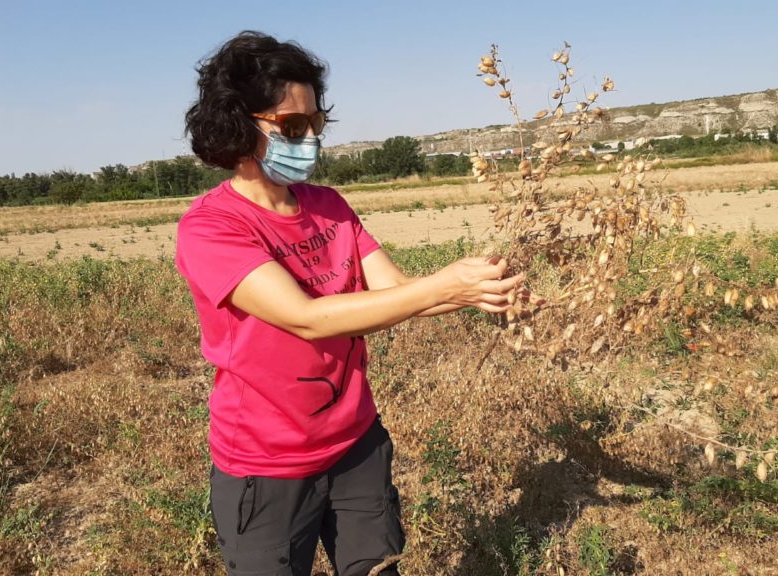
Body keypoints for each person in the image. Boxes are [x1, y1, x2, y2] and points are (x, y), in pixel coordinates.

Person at [176, 31, 520, 576]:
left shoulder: (328, 206)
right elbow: (306, 319)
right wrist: (445, 286)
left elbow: (394, 293)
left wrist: (479, 289)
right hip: (267, 464)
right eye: (291, 126)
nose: (310, 138)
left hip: (356, 443)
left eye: (315, 123)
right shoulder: (212, 228)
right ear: (238, 123)